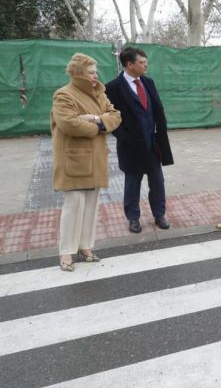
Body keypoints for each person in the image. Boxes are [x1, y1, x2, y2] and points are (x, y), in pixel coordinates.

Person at [51, 53, 121, 271]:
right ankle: (66, 252)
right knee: (74, 206)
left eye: (96, 71)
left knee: (91, 205)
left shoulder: (99, 92)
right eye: (91, 72)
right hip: (74, 160)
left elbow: (116, 116)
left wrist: (95, 120)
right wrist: (101, 124)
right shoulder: (64, 95)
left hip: (96, 159)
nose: (95, 75)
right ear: (78, 73)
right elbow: (69, 124)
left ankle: (86, 247)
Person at [105, 47, 174, 234]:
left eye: (146, 62)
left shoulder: (148, 83)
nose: (146, 65)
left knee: (158, 181)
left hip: (153, 143)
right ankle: (133, 218)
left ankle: (159, 214)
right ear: (129, 64)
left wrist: (161, 134)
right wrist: (124, 137)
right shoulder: (112, 87)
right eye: (142, 63)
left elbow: (157, 110)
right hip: (131, 146)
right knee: (132, 183)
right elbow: (109, 117)